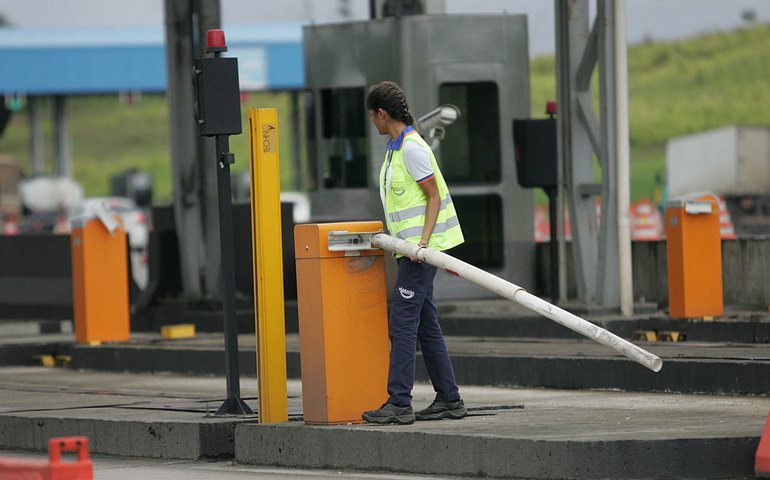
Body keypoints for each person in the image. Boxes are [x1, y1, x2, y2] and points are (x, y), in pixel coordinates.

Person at [362, 80, 467, 425]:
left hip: (419, 252)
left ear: (381, 114)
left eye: (372, 116)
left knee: (403, 321)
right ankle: (449, 398)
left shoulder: (411, 148)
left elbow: (433, 196)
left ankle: (399, 402)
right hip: (410, 250)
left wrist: (422, 244)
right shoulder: (395, 148)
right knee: (426, 324)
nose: (372, 123)